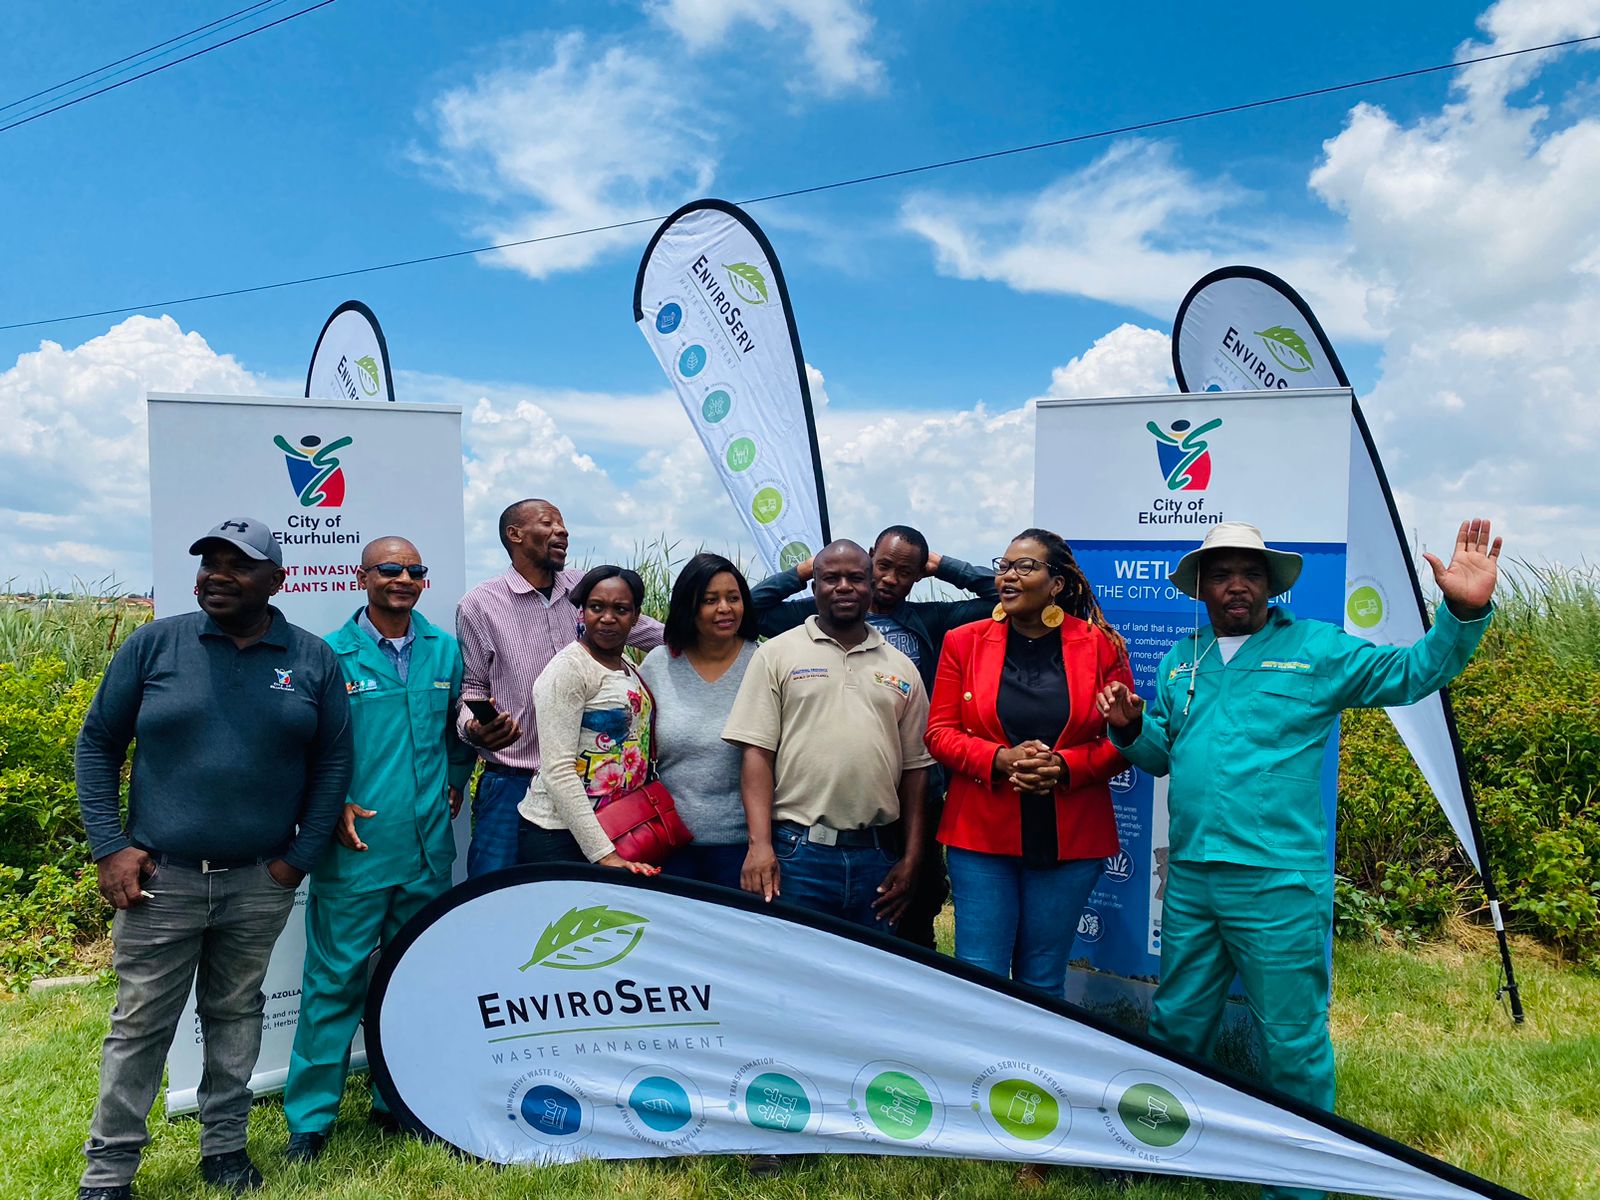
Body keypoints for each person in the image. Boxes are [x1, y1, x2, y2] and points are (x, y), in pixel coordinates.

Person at [1097, 520, 1501, 1200]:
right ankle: (1153, 1146)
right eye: (1221, 572)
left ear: (1269, 585)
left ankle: (1298, 1182)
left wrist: (1461, 613)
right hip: (1192, 875)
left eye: (1250, 572)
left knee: (1291, 1041)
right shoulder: (1180, 660)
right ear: (1200, 585)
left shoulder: (1313, 648)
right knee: (1174, 1023)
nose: (1236, 584)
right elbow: (1162, 755)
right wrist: (1130, 727)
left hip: (1278, 882)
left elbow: (1411, 673)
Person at [74, 518, 352, 1200]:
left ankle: (225, 1150)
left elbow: (333, 764)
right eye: (210, 562)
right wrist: (111, 846)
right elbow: (97, 746)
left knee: (235, 1014)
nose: (217, 574)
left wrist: (296, 860)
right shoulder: (154, 645)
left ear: (277, 582)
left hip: (259, 879)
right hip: (159, 881)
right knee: (140, 1024)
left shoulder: (312, 659)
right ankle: (109, 1172)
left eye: (239, 564)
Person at [282, 536, 476, 1162]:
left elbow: (459, 731)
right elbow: (301, 745)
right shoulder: (329, 655)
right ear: (361, 576)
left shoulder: (444, 648)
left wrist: (454, 779)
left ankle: (402, 1102)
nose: (403, 578)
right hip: (359, 849)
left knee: (414, 982)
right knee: (334, 984)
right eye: (389, 569)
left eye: (414, 570)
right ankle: (310, 1121)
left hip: (427, 853)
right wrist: (326, 801)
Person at [752, 525, 995, 947]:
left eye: (905, 571)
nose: (889, 579)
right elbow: (751, 609)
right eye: (881, 566)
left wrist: (941, 565)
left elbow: (997, 600)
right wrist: (811, 568)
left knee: (911, 906)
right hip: (815, 823)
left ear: (918, 576)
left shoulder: (931, 620)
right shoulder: (817, 613)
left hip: (912, 794)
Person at [926, 529, 1133, 994]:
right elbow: (938, 733)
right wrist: (999, 759)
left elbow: (1122, 741)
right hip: (980, 836)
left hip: (1070, 836)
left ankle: (1037, 1070)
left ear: (1057, 583)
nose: (1008, 577)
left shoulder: (1102, 647)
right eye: (1004, 566)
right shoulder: (963, 642)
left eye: (1025, 567)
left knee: (1043, 979)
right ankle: (976, 1068)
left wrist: (1064, 767)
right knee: (980, 975)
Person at [723, 540, 933, 928]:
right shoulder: (777, 654)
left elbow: (916, 771)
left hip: (878, 858)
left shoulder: (902, 667)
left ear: (872, 586)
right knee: (793, 976)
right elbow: (756, 755)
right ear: (814, 585)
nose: (844, 586)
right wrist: (760, 845)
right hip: (797, 855)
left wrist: (912, 858)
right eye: (830, 578)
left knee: (871, 977)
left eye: (856, 577)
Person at [456, 499, 662, 876]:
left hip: (593, 794)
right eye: (548, 523)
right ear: (514, 535)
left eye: (563, 524)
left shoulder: (588, 591)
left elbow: (658, 635)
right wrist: (474, 728)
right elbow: (471, 688)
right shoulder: (480, 605)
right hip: (514, 780)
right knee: (494, 895)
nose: (562, 531)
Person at [514, 565, 662, 875]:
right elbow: (558, 772)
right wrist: (604, 855)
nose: (607, 618)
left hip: (614, 826)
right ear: (582, 613)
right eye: (597, 607)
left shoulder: (627, 667)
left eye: (620, 609)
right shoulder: (570, 669)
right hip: (560, 836)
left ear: (636, 617)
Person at [637, 553, 759, 890]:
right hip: (668, 844)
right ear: (689, 606)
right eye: (710, 600)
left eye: (733, 598)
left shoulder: (763, 663)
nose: (724, 608)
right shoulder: (658, 664)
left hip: (743, 850)